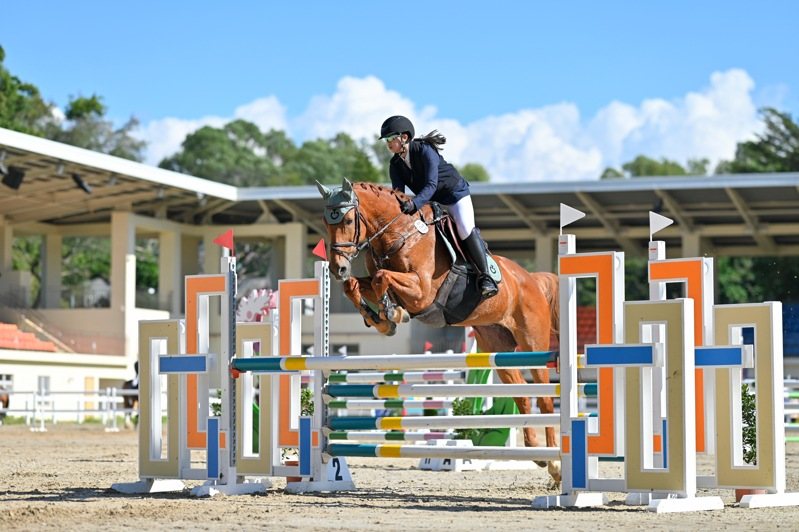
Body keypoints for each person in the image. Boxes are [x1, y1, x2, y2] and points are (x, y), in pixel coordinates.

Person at [379, 115, 498, 298]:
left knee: (464, 228)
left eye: (390, 138)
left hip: (454, 195)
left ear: (404, 137)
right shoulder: (395, 164)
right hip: (431, 201)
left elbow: (431, 185)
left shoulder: (425, 150)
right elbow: (398, 193)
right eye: (386, 140)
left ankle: (486, 276)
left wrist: (415, 203)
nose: (387, 143)